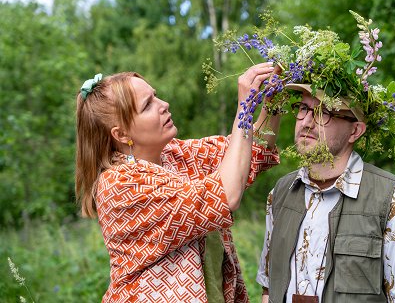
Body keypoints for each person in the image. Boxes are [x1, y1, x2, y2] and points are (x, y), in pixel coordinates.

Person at [75, 63, 281, 302]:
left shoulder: (173, 155)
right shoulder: (120, 185)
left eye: (155, 96)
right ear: (121, 134)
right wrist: (244, 109)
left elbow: (253, 148)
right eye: (147, 105)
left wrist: (272, 101)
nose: (164, 105)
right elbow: (225, 195)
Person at [256, 85, 395, 302]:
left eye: (324, 112)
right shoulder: (280, 193)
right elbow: (268, 288)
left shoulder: (393, 199)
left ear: (355, 131)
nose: (306, 122)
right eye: (303, 108)